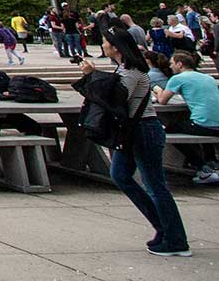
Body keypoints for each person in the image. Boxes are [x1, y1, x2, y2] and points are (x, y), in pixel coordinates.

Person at [79, 16, 188, 256]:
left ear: (115, 46)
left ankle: (176, 239)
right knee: (120, 175)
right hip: (131, 130)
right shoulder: (125, 68)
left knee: (154, 185)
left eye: (106, 41)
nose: (103, 45)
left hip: (144, 129)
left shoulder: (133, 70)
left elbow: (116, 100)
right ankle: (163, 227)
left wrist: (91, 75)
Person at [154, 49, 219, 183]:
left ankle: (202, 168)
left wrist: (157, 89)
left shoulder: (178, 78)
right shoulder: (208, 77)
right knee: (192, 123)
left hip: (202, 124)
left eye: (172, 63)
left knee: (167, 131)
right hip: (215, 124)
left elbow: (162, 100)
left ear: (180, 64)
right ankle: (212, 161)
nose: (170, 66)